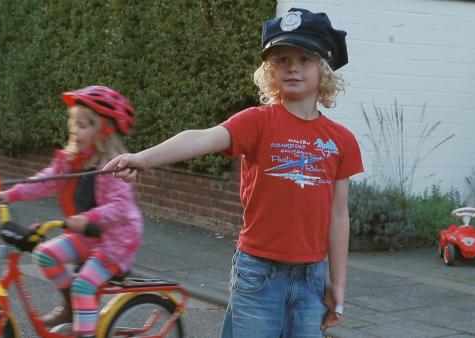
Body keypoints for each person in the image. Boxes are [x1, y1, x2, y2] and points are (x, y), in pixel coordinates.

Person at [104, 8, 363, 338]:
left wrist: (337, 284)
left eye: (304, 58)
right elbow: (203, 137)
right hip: (258, 275)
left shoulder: (342, 141)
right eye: (282, 59)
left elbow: (339, 216)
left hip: (311, 279)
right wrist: (142, 158)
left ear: (324, 69)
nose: (293, 67)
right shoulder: (257, 121)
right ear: (271, 71)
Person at [0, 86, 143, 338]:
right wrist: (8, 195)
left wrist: (87, 218)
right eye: (73, 124)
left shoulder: (113, 166)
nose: (74, 130)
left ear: (103, 131)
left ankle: (86, 331)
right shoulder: (71, 160)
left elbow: (120, 207)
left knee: (83, 285)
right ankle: (72, 307)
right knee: (44, 254)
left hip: (116, 240)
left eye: (83, 126)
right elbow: (44, 181)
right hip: (87, 234)